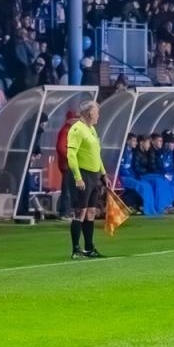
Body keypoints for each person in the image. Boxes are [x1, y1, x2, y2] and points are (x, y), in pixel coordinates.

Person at [65, 100, 107, 259]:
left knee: (91, 211)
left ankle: (89, 248)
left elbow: (96, 154)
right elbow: (71, 155)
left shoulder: (92, 130)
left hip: (94, 175)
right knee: (80, 211)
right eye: (97, 112)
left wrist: (103, 174)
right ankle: (76, 249)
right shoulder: (77, 130)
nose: (98, 115)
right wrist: (77, 178)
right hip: (82, 175)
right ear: (90, 113)